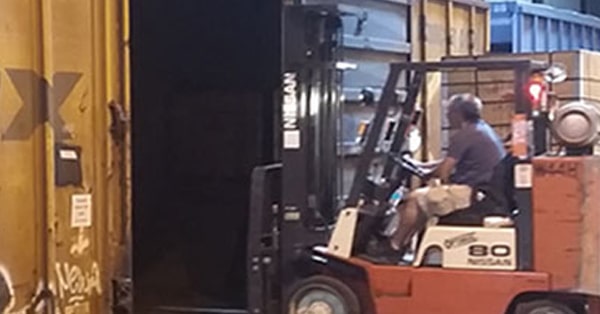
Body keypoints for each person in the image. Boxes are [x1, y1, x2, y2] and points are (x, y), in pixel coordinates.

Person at [369, 93, 507, 263]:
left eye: (449, 112)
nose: (447, 116)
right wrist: (420, 166)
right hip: (481, 191)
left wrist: (425, 172)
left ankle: (394, 246)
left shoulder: (464, 135)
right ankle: (403, 245)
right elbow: (447, 161)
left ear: (458, 113)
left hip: (473, 193)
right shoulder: (479, 129)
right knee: (424, 200)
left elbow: (444, 172)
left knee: (414, 198)